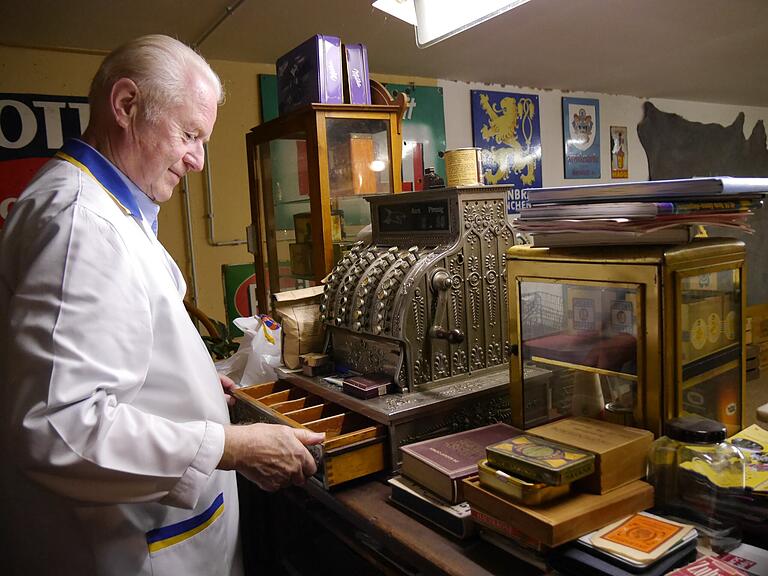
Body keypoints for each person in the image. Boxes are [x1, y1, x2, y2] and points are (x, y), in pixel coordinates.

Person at [0, 34, 324, 575]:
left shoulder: (105, 206)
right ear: (126, 106)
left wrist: (191, 384)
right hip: (129, 546)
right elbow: (60, 426)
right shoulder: (81, 224)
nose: (197, 160)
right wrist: (233, 448)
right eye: (190, 134)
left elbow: (109, 354)